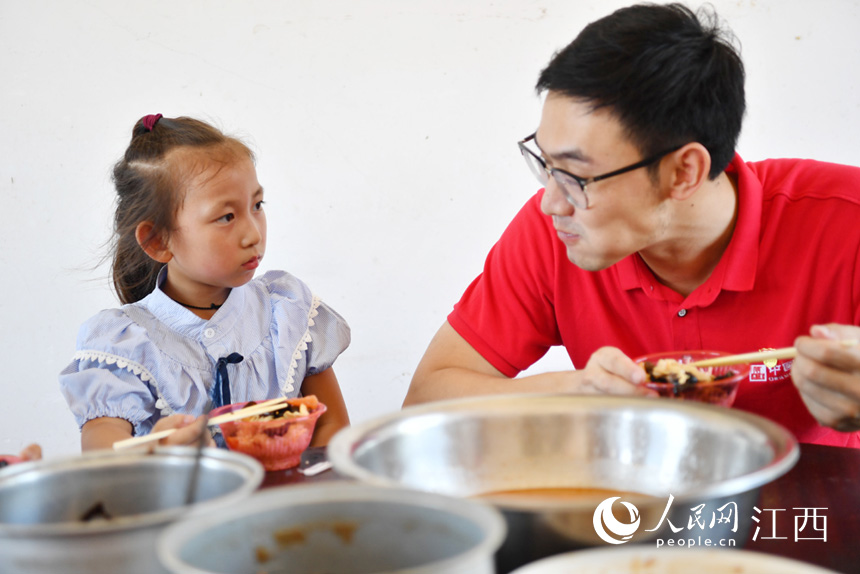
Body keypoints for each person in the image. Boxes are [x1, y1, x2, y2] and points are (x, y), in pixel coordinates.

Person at [404, 3, 860, 448]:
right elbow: (424, 403)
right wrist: (572, 393)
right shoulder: (556, 233)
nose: (550, 202)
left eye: (576, 175)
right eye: (545, 164)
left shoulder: (846, 220)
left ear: (684, 173)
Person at [60, 114, 351, 451]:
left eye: (257, 205)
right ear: (158, 240)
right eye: (226, 216)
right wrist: (153, 449)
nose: (253, 234)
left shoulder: (287, 312)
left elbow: (333, 424)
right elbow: (102, 451)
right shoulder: (124, 346)